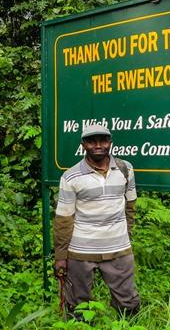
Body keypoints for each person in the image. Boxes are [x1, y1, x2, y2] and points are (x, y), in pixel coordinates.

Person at [53, 123, 140, 318]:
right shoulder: (70, 176)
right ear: (83, 145)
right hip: (81, 251)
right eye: (92, 141)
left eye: (103, 140)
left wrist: (126, 234)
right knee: (78, 303)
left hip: (119, 248)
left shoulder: (126, 169)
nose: (98, 145)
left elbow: (130, 205)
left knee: (127, 300)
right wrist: (60, 257)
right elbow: (64, 219)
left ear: (110, 142)